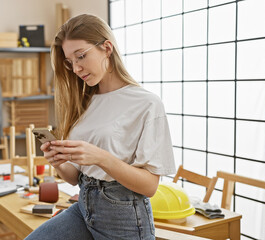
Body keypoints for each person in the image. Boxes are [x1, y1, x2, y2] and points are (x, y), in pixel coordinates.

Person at [25, 14, 176, 240]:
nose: (75, 68)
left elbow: (149, 186)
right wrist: (59, 163)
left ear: (107, 48)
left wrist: (101, 157)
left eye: (81, 56)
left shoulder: (146, 103)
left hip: (123, 216)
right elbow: (76, 177)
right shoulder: (86, 102)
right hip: (84, 206)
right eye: (70, 61)